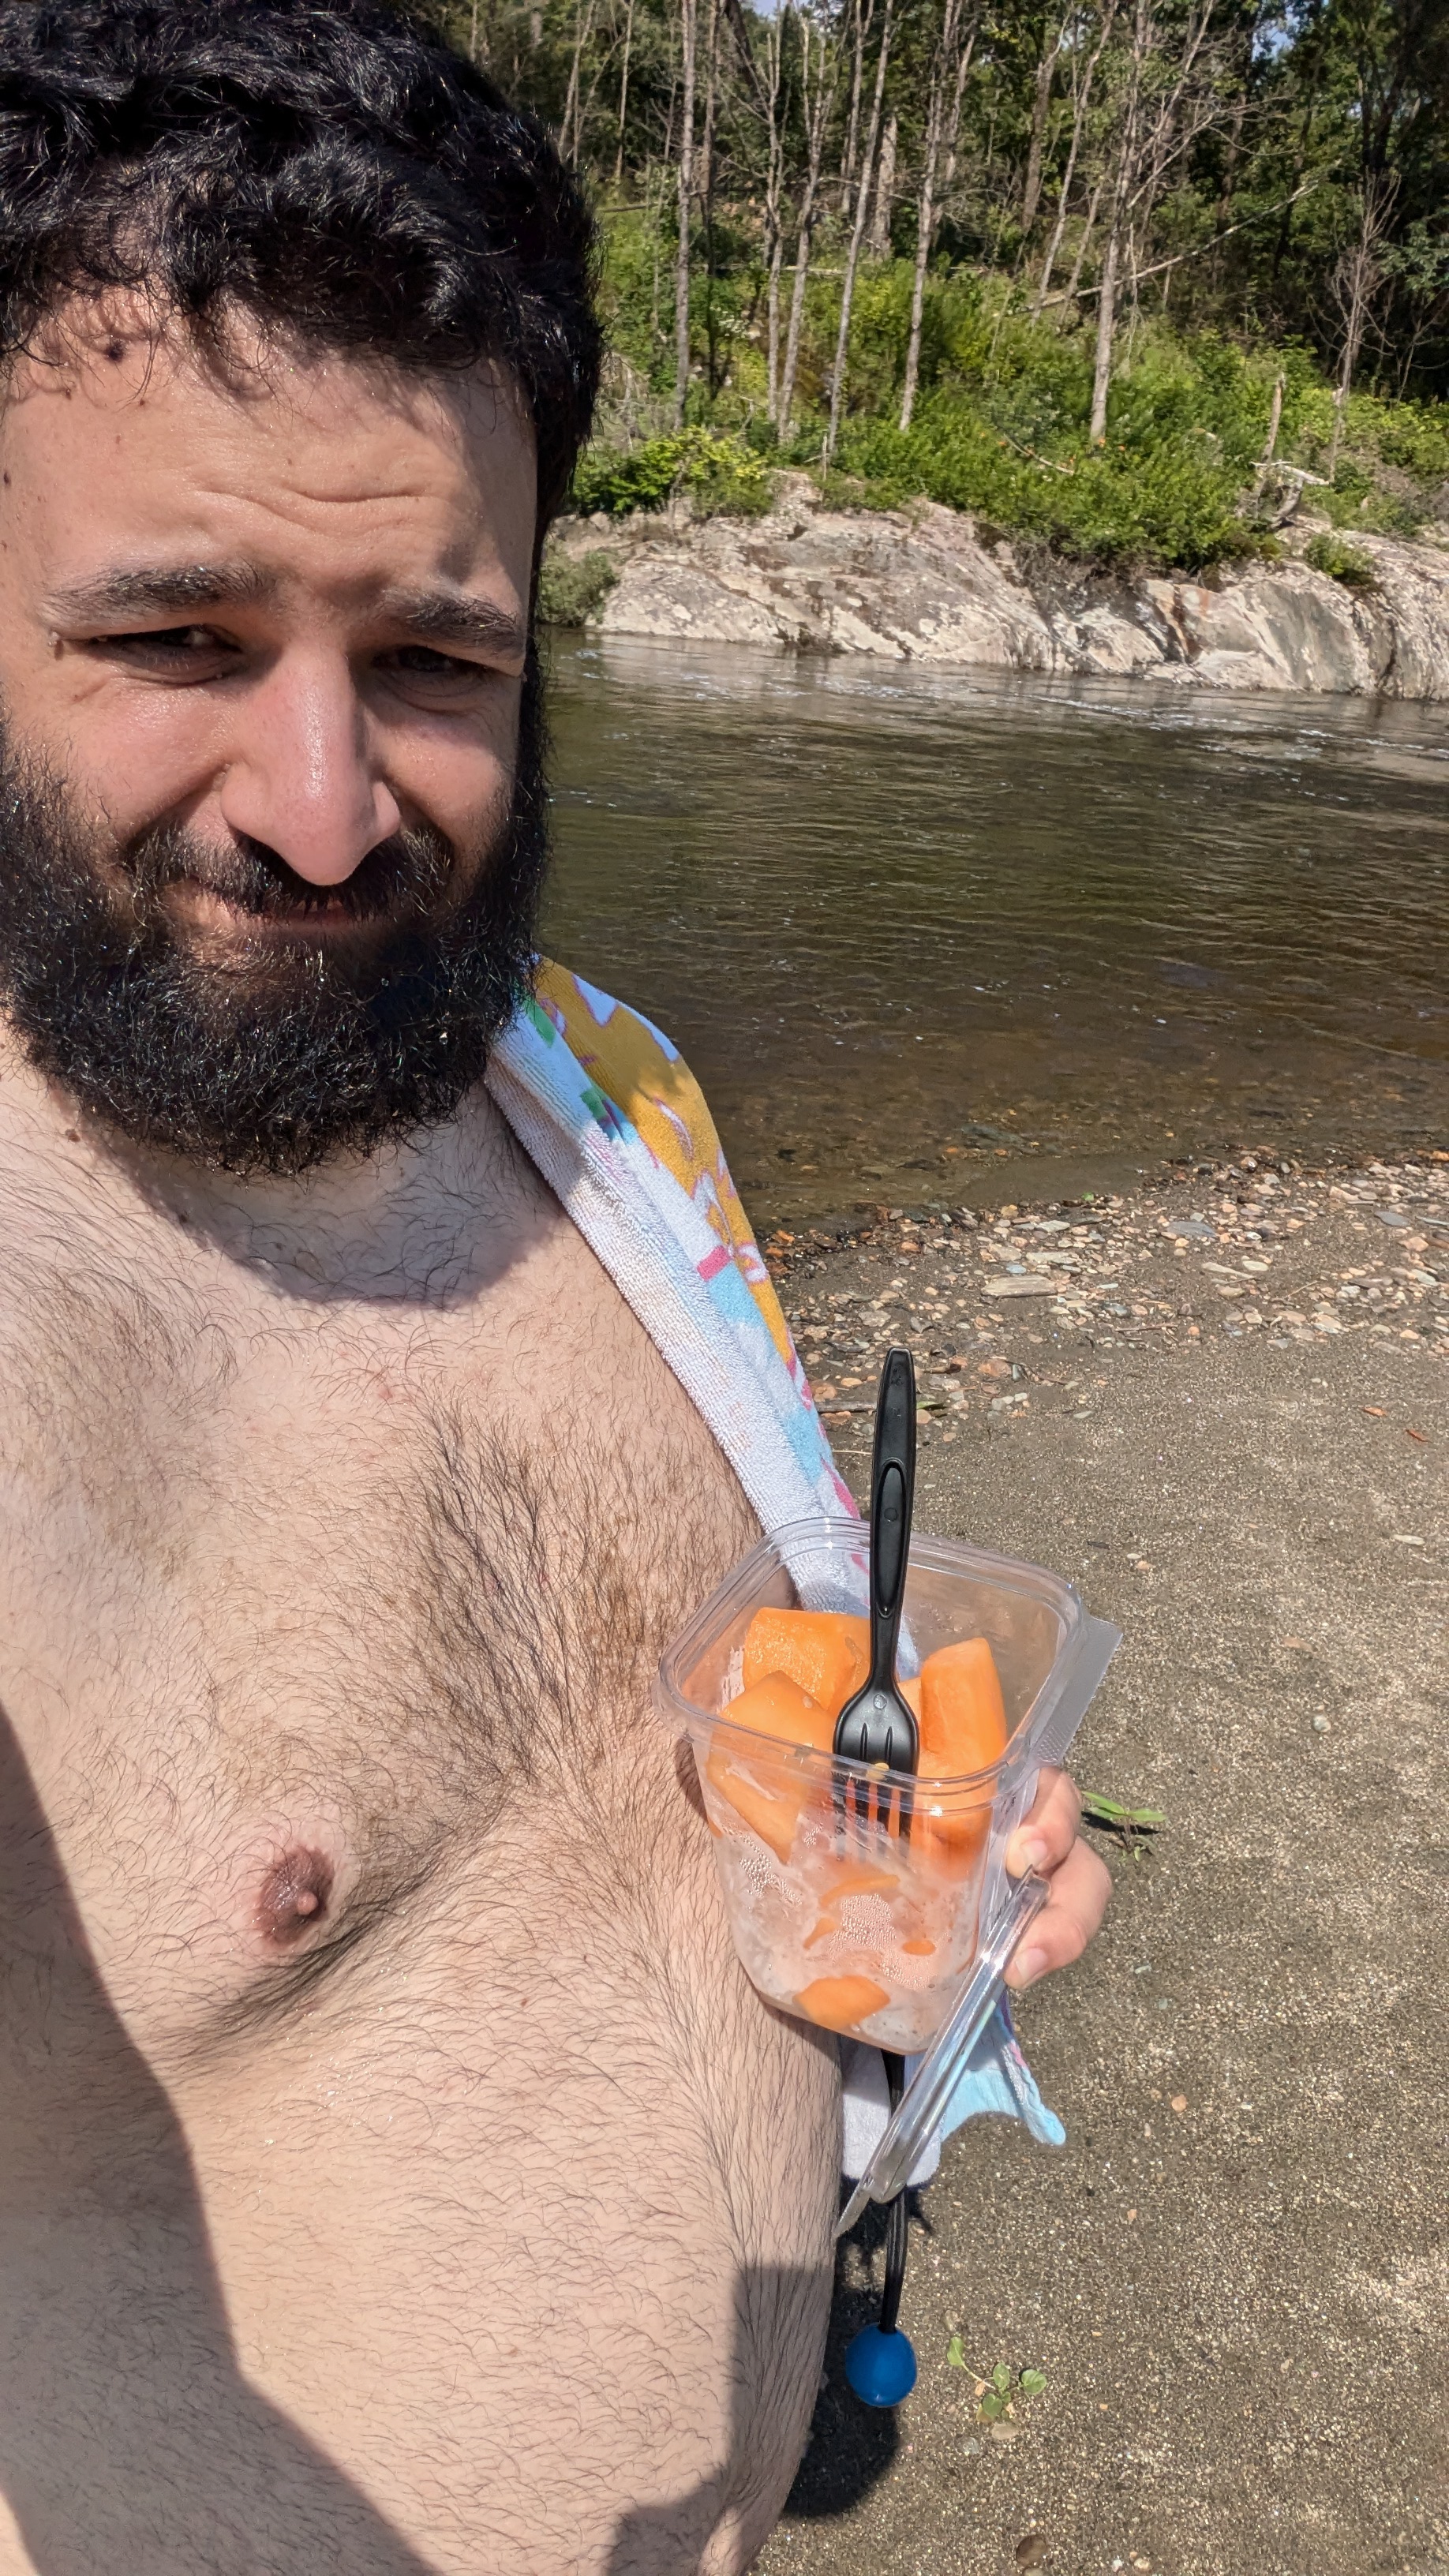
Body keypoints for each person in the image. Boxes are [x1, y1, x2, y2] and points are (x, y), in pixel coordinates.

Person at [0, 4, 1110, 2568]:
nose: (319, 805)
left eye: (430, 655)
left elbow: (703, 1736)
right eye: (175, 641)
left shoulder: (594, 1091)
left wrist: (928, 1873)